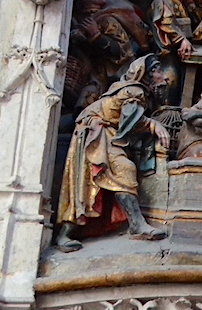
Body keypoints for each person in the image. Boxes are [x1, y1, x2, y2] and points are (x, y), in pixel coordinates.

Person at [55, 55, 172, 252]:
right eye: (159, 72)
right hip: (95, 131)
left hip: (100, 131)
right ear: (148, 75)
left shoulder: (134, 92)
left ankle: (67, 234)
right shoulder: (135, 91)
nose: (165, 78)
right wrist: (152, 124)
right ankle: (135, 225)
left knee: (89, 184)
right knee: (113, 173)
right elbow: (130, 120)